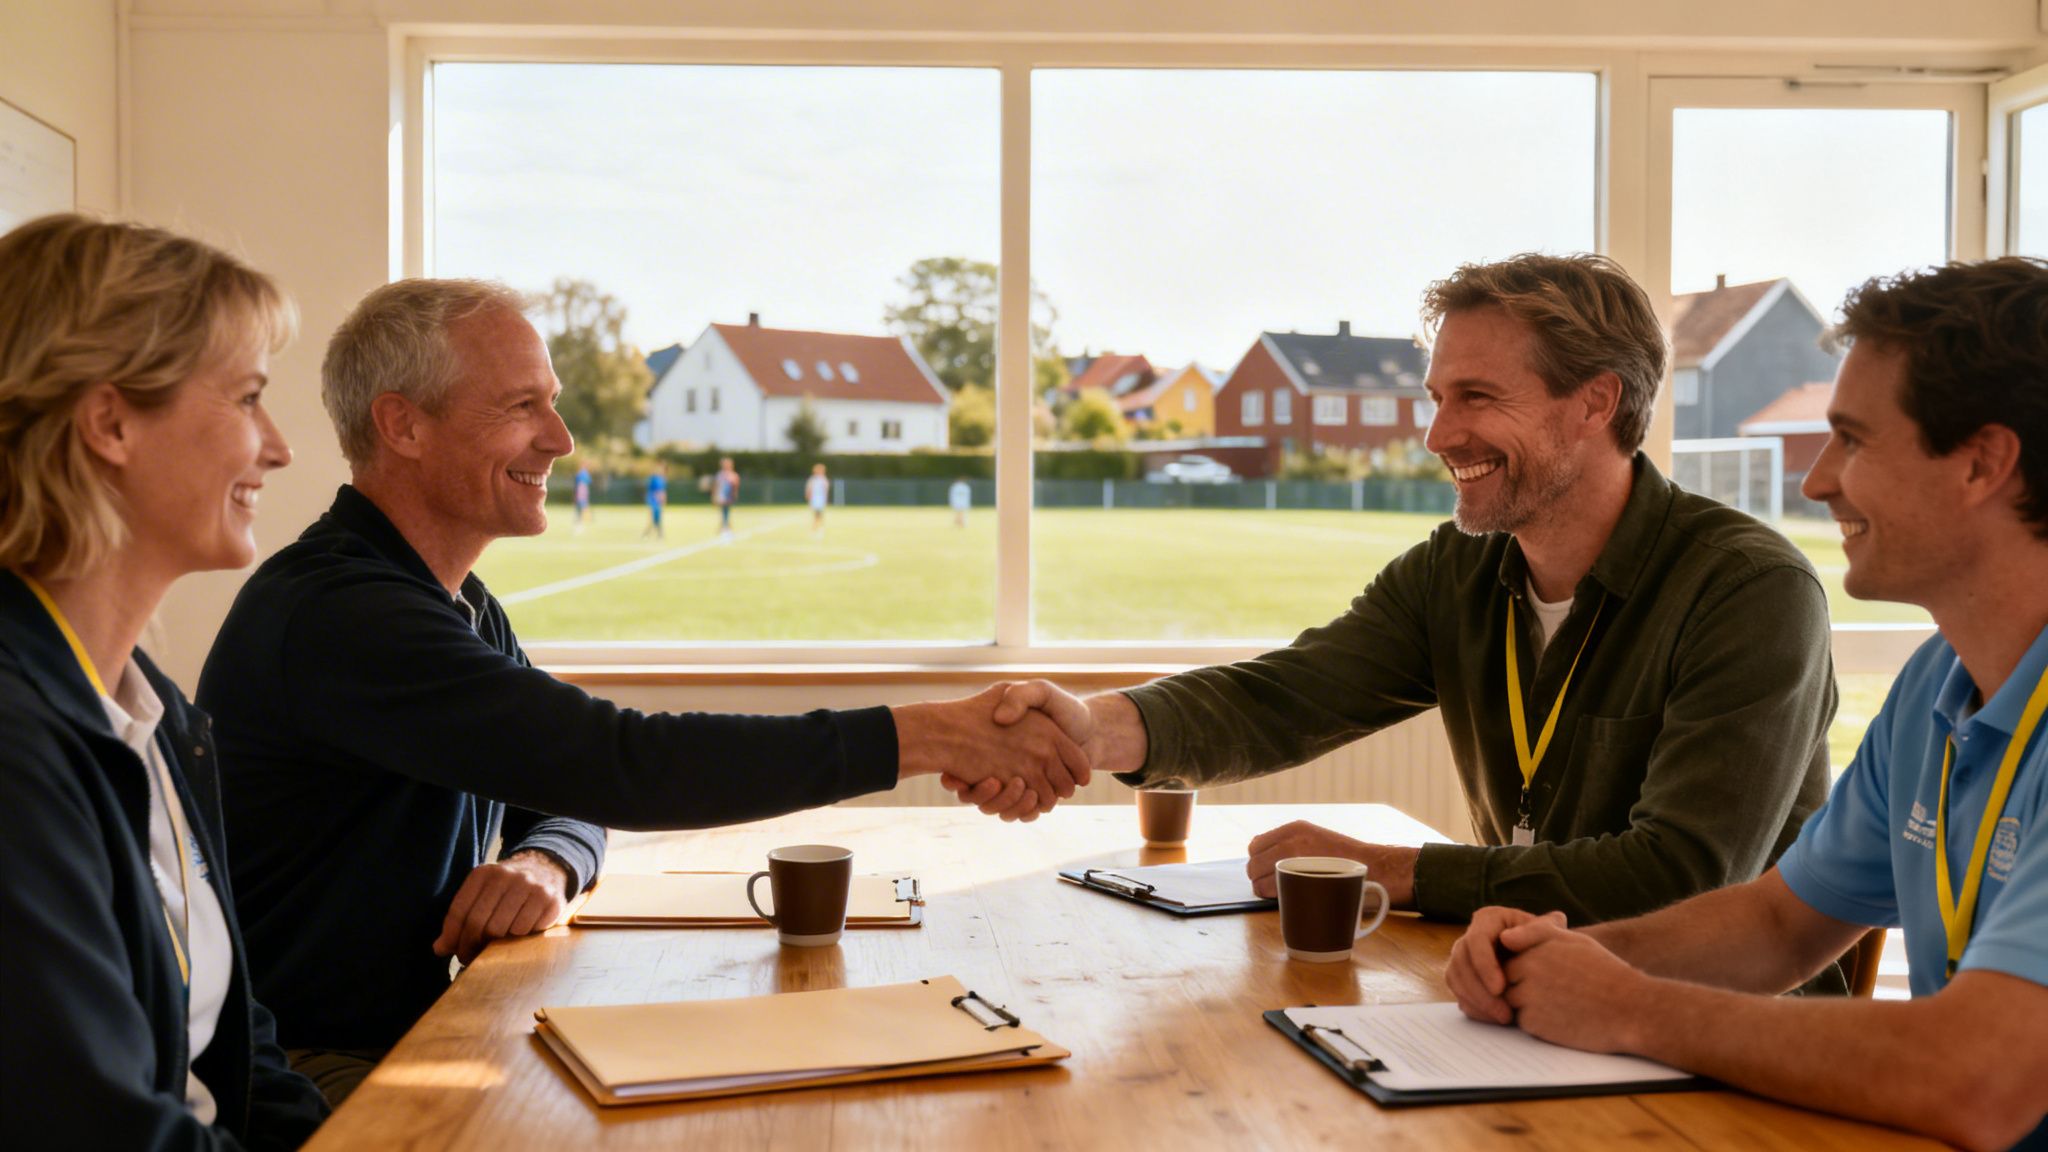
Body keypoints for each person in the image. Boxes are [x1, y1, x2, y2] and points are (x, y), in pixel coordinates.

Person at [197, 278, 1086, 1106]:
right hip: (312, 1073)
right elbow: (620, 763)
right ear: (403, 426)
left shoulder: (452, 604)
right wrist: (931, 736)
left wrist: (548, 861)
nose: (561, 437)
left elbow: (571, 793)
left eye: (552, 401)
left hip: (423, 1030)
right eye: (522, 406)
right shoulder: (345, 616)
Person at [965, 253, 1836, 932]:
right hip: (1526, 988)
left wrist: (1396, 870)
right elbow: (1286, 697)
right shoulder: (1455, 572)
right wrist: (1094, 727)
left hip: (1716, 1037)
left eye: (1477, 397)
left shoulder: (1750, 591)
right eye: (1436, 397)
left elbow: (1680, 876)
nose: (1437, 433)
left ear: (1595, 402)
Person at [1445, 258, 2048, 1152]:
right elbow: (1777, 924)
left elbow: (1979, 1079)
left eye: (1851, 439)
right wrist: (1557, 955)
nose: (1816, 481)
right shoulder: (1938, 682)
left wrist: (1632, 1006)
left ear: (1981, 465)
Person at [0, 214, 327, 1148]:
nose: (279, 448)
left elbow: (236, 1057)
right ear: (109, 423)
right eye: (250, 398)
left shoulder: (156, 709)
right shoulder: (17, 746)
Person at [714, 455, 740, 539]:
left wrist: (734, 494)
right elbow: (717, 485)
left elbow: (735, 485)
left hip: (728, 495)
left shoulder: (732, 475)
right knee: (723, 512)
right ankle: (724, 527)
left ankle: (726, 528)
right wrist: (715, 495)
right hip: (721, 496)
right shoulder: (720, 474)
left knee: (726, 512)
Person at [642, 464, 665, 540]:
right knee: (653, 519)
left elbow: (662, 491)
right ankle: (648, 534)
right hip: (653, 501)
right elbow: (653, 491)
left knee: (657, 519)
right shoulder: (653, 479)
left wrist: (662, 500)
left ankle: (659, 534)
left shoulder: (662, 479)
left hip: (658, 502)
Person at [806, 462, 830, 535]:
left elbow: (826, 489)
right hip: (814, 498)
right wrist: (809, 496)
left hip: (821, 498)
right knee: (815, 513)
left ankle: (819, 526)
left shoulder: (824, 479)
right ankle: (816, 526)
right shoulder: (812, 479)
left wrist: (825, 498)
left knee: (820, 513)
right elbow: (809, 488)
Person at [573, 463, 591, 532]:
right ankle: (578, 524)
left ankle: (579, 523)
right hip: (581, 494)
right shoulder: (582, 475)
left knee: (580, 510)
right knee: (580, 510)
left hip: (582, 494)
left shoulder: (583, 474)